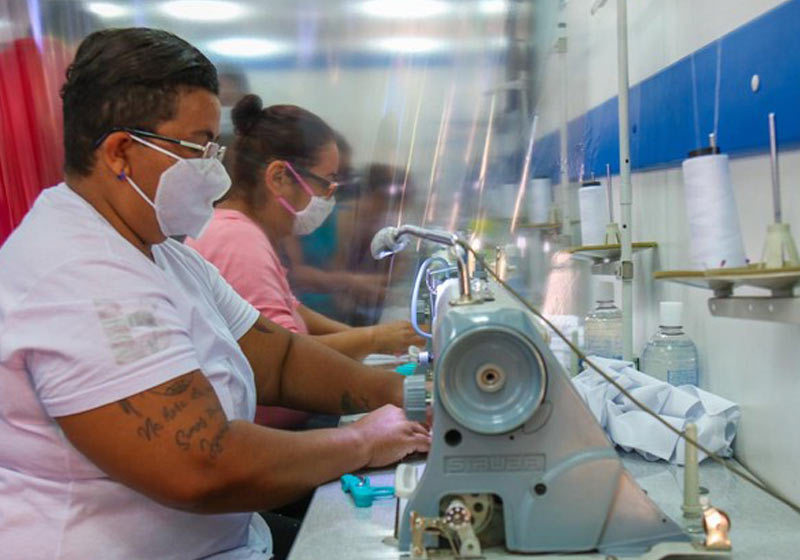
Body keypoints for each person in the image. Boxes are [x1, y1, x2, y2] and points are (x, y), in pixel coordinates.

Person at [0, 27, 429, 560]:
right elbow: (202, 464)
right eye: (196, 147)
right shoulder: (77, 275)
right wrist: (362, 442)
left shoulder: (159, 249)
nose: (212, 166)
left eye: (213, 145)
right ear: (119, 152)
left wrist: (398, 393)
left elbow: (278, 358)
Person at [187, 97, 423, 365]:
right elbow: (281, 355)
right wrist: (373, 340)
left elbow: (291, 308)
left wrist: (368, 337)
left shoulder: (243, 231)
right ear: (279, 178)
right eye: (326, 184)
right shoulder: (236, 240)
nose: (328, 198)